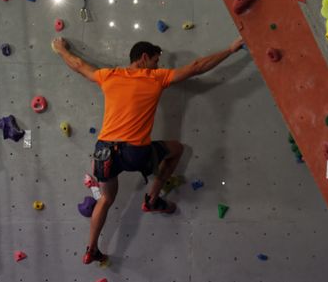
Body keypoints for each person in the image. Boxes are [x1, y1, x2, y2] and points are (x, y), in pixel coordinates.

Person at [51, 36, 245, 264]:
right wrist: (230, 49)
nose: (157, 66)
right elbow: (196, 67)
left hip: (104, 153)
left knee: (106, 198)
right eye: (155, 61)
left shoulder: (108, 75)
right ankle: (152, 199)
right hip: (135, 153)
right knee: (177, 149)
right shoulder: (155, 77)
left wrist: (61, 49)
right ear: (144, 58)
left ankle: (91, 248)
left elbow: (78, 65)